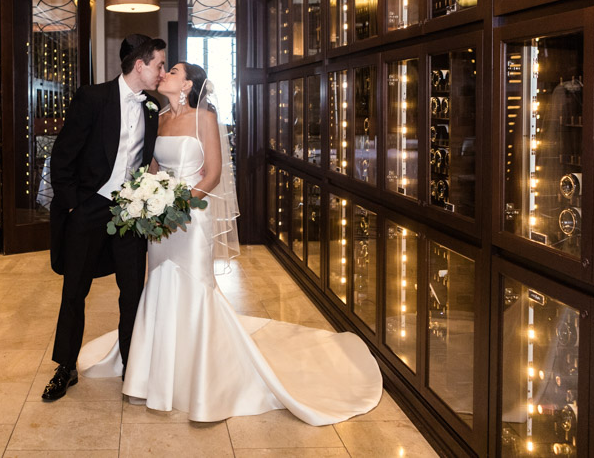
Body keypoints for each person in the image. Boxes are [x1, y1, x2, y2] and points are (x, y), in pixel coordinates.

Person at [79, 62, 383, 424]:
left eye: (172, 71)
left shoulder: (203, 118)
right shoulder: (157, 118)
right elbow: (154, 169)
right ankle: (156, 373)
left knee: (195, 286)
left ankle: (205, 378)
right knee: (159, 281)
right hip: (162, 219)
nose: (164, 75)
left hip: (192, 215)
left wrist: (180, 204)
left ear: (188, 84)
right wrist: (149, 199)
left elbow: (214, 173)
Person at [42, 34, 167, 401]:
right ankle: (65, 368)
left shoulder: (152, 107)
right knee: (75, 290)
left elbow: (145, 161)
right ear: (140, 65)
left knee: (132, 292)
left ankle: (132, 366)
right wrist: (73, 205)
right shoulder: (92, 98)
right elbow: (62, 156)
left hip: (130, 213)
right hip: (89, 208)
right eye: (159, 65)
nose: (161, 71)